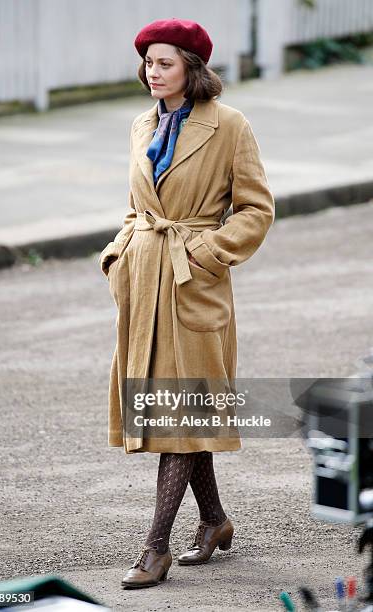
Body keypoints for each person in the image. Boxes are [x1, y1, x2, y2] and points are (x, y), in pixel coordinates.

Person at [98, 18, 275, 589]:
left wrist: (205, 252)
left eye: (164, 62)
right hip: (145, 284)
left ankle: (154, 548)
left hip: (191, 281)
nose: (153, 72)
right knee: (178, 408)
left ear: (191, 68)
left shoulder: (229, 127)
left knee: (178, 412)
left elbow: (256, 208)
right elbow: (136, 204)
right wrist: (120, 253)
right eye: (148, 62)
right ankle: (215, 520)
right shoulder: (140, 124)